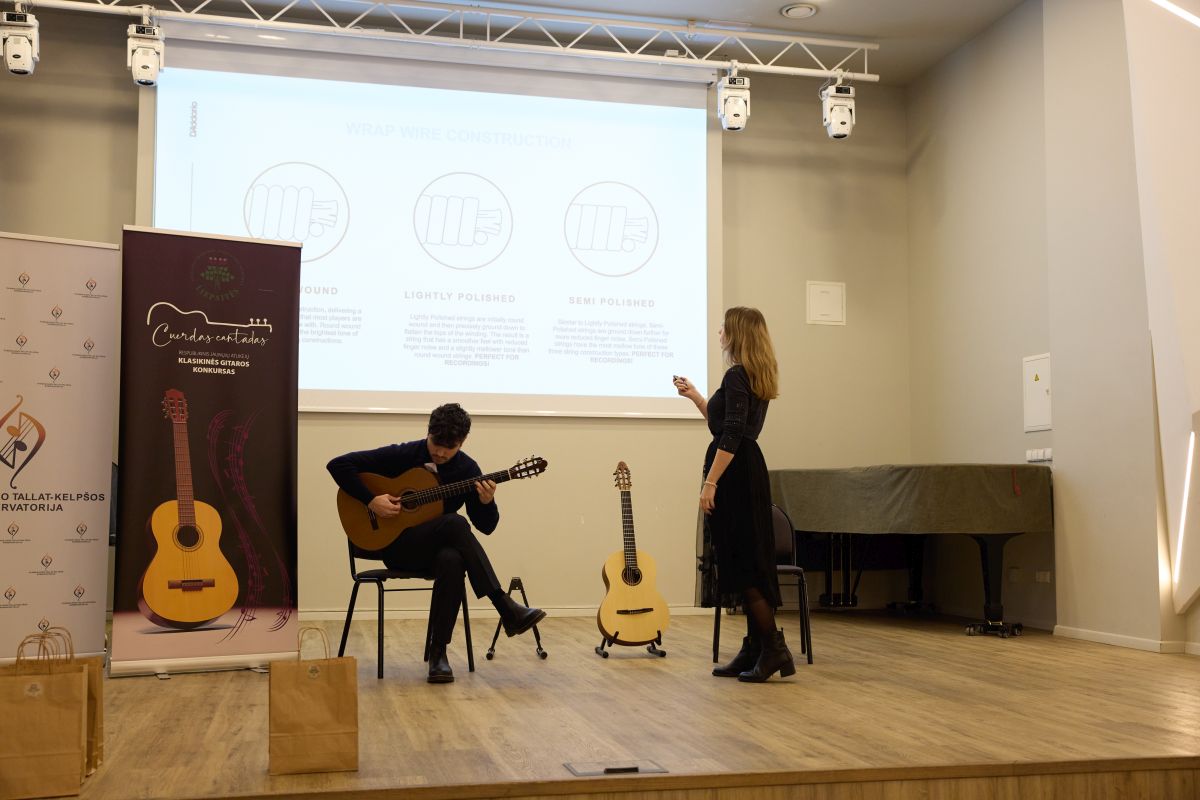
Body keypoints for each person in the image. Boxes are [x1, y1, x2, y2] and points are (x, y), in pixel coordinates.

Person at [326, 403, 545, 683]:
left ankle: (438, 653)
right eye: (435, 444)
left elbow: (486, 527)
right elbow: (337, 465)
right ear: (427, 432)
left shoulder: (467, 469)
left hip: (432, 556)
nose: (440, 453)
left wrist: (486, 502)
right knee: (454, 522)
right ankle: (503, 605)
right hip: (396, 548)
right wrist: (371, 500)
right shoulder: (404, 454)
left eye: (449, 447)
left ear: (463, 442)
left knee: (452, 559)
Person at [673, 307, 793, 682]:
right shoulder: (753, 374)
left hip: (735, 474)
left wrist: (710, 482)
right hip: (746, 468)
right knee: (746, 560)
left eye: (723, 328)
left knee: (743, 563)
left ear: (736, 333)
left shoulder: (737, 375)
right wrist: (696, 397)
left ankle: (773, 648)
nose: (719, 333)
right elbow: (724, 424)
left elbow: (732, 434)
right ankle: (755, 648)